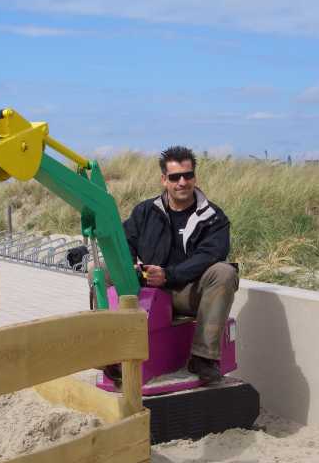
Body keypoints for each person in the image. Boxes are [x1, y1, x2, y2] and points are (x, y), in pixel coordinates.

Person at [98, 145, 238, 383]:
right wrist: (130, 266)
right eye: (175, 177)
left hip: (188, 293)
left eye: (188, 175)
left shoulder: (213, 217)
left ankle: (203, 358)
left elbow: (210, 255)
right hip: (148, 289)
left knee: (224, 272)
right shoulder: (145, 211)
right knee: (101, 271)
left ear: (195, 177)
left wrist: (169, 275)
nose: (182, 182)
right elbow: (125, 241)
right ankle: (109, 353)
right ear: (164, 180)